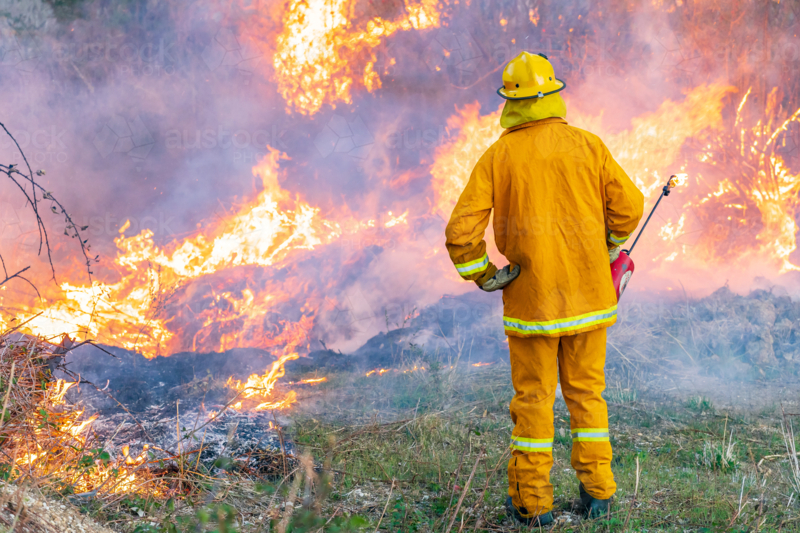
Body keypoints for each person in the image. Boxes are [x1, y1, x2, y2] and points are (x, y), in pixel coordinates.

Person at [444, 51, 644, 526]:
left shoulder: (499, 157)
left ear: (510, 102)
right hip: (589, 302)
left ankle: (533, 505)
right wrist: (607, 247)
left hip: (532, 307)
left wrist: (483, 273)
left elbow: (460, 232)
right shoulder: (588, 145)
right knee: (587, 396)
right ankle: (599, 495)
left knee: (534, 401)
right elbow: (630, 208)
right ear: (553, 94)